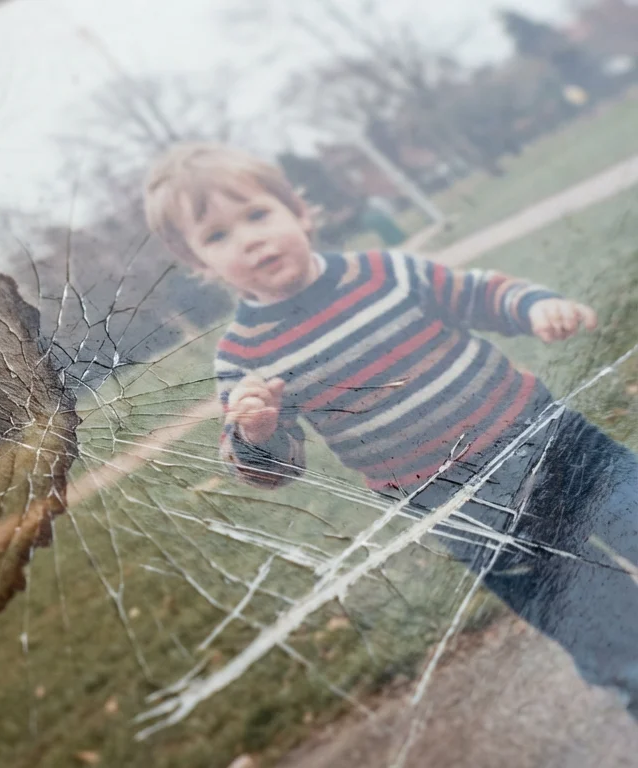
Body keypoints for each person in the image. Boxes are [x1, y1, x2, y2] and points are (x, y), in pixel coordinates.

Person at [142, 141, 638, 714]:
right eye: (218, 236)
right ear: (201, 265)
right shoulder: (245, 358)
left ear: (299, 212)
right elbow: (271, 468)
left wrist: (533, 308)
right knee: (603, 629)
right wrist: (257, 434)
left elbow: (477, 294)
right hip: (470, 514)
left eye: (257, 215)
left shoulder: (385, 272)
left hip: (560, 449)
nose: (249, 239)